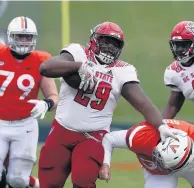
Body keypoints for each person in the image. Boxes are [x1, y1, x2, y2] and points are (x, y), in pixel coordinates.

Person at [38, 21, 183, 188]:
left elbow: (143, 103)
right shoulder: (77, 53)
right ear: (94, 40)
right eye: (105, 41)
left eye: (114, 44)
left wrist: (161, 126)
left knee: (83, 181)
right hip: (61, 130)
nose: (109, 47)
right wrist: (80, 66)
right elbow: (45, 67)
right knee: (49, 183)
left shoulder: (123, 71)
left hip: (92, 136)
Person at [0, 16, 58, 188]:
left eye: (28, 37)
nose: (24, 41)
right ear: (10, 36)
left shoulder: (41, 60)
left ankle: (32, 183)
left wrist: (46, 104)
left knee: (17, 180)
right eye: (20, 36)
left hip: (25, 125)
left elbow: (54, 97)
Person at [99, 119, 194, 188]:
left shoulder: (191, 132)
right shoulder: (142, 136)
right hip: (159, 173)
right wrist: (105, 164)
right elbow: (110, 139)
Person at [163, 21, 194, 118]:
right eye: (177, 45)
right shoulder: (174, 73)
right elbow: (173, 106)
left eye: (184, 45)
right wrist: (159, 126)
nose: (179, 49)